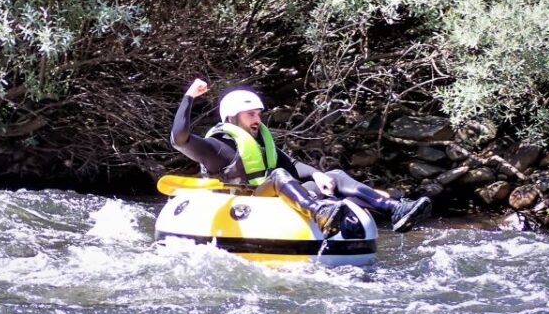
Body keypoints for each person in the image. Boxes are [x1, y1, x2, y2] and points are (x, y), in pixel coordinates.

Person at [170, 78, 431, 235]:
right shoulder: (217, 147)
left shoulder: (260, 142)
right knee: (279, 176)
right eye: (251, 115)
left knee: (335, 176)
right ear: (232, 118)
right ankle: (319, 212)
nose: (257, 120)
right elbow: (178, 139)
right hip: (244, 203)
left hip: (270, 199)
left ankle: (396, 209)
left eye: (259, 114)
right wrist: (189, 97)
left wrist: (317, 174)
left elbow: (292, 165)